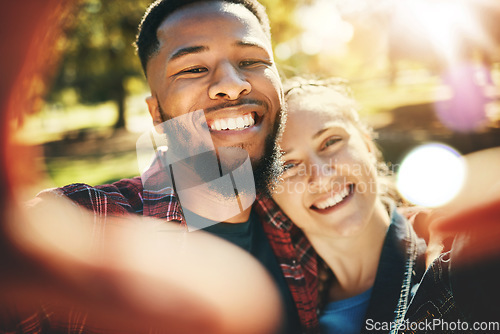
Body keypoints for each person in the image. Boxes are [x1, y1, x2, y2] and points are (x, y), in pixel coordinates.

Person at [3, 1, 322, 333]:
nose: (232, 84)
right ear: (156, 114)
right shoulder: (82, 227)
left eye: (252, 61)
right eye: (193, 68)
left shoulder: (305, 220)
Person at [269, 77, 500, 333]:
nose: (320, 177)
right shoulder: (279, 311)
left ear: (367, 145)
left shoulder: (455, 259)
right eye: (288, 165)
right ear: (269, 192)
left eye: (330, 142)